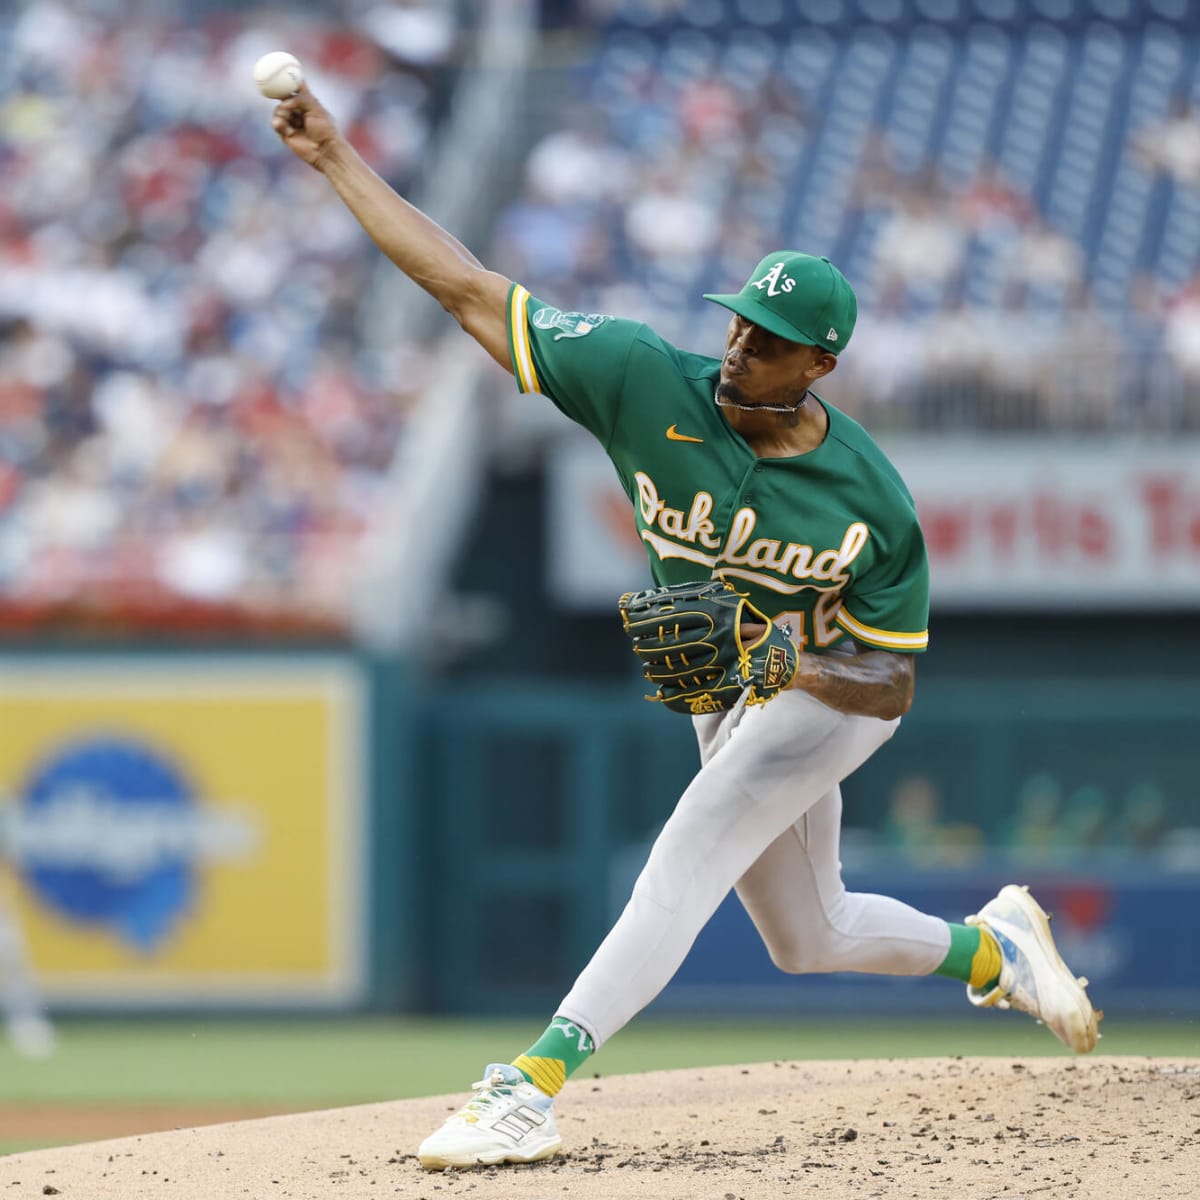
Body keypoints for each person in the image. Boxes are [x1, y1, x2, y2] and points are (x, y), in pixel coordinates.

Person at [269, 84, 1100, 1172]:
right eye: (741, 322)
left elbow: (889, 683)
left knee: (685, 859)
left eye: (772, 342)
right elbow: (467, 290)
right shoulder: (639, 377)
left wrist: (789, 662)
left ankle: (530, 1086)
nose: (741, 346)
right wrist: (335, 159)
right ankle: (994, 951)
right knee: (810, 936)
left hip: (826, 699)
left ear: (821, 367)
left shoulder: (871, 504)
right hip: (730, 691)